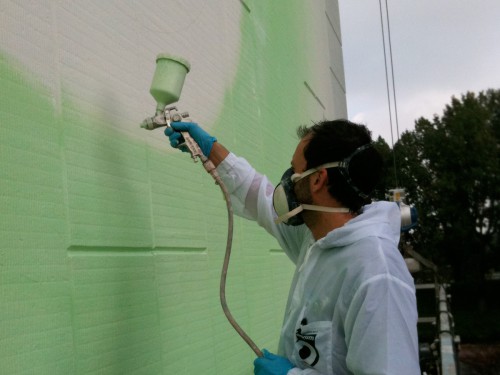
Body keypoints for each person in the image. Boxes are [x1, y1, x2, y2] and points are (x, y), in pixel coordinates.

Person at [165, 120, 420, 375]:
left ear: (318, 180)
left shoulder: (377, 274)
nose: (287, 182)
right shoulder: (316, 239)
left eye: (294, 171)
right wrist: (210, 150)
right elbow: (258, 197)